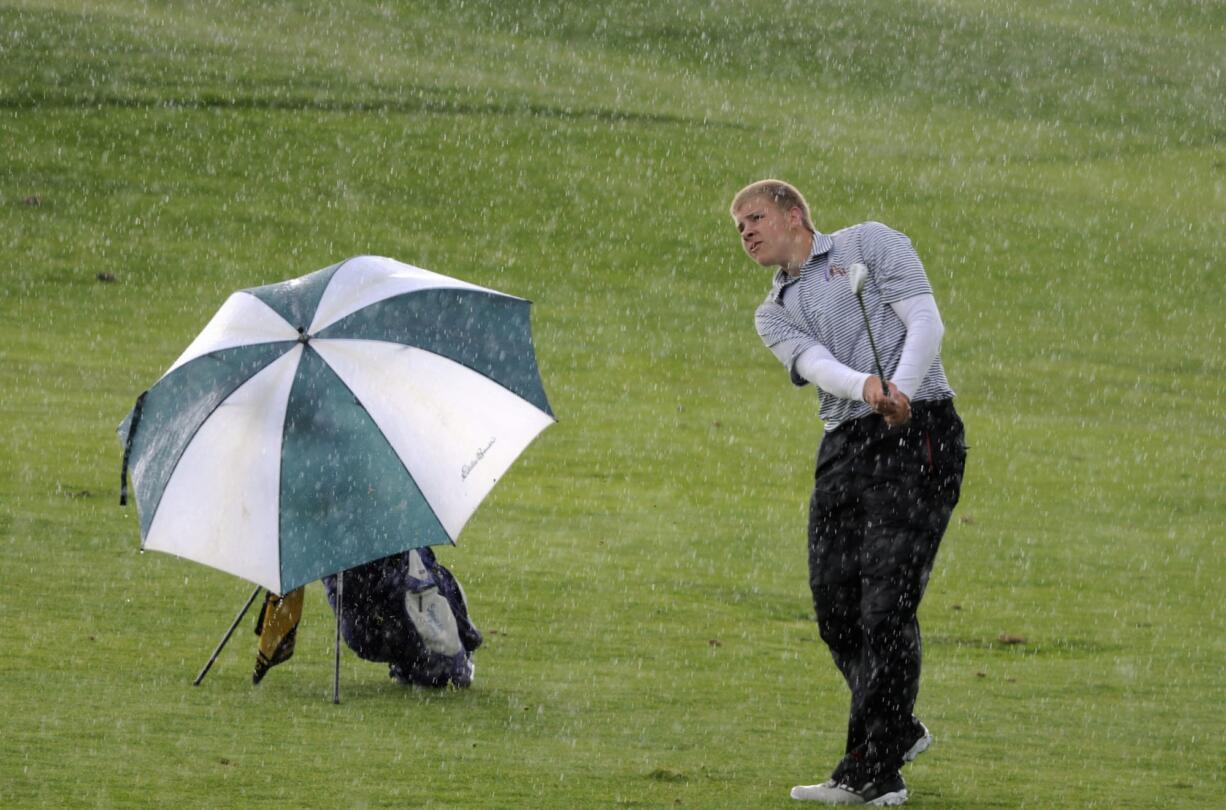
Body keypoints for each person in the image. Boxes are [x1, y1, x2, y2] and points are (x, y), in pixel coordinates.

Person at [729, 179, 967, 805]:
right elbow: (815, 367)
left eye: (755, 217)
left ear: (794, 213)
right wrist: (868, 388)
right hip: (845, 444)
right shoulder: (770, 311)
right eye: (739, 228)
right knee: (836, 608)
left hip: (921, 432)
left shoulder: (870, 244)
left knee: (886, 608)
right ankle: (898, 727)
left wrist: (902, 389)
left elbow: (926, 322)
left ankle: (871, 772)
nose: (747, 232)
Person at [322, 547, 482, 688]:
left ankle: (447, 661)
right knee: (363, 639)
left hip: (397, 576)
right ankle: (415, 664)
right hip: (363, 582)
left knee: (432, 663)